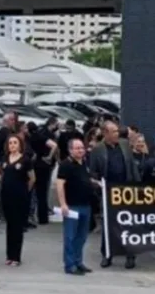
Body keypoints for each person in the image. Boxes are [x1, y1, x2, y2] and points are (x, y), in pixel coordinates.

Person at [89, 121, 140, 269]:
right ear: (106, 133)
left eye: (118, 131)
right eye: (114, 132)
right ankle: (107, 254)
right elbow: (93, 173)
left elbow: (132, 166)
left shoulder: (124, 145)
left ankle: (130, 255)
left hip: (126, 191)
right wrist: (99, 188)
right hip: (109, 193)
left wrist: (137, 186)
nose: (118, 134)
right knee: (109, 225)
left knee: (129, 224)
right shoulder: (97, 150)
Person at [57, 139, 98, 275]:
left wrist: (95, 183)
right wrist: (63, 204)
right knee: (70, 236)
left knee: (82, 236)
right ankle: (70, 265)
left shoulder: (84, 163)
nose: (81, 150)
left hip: (86, 205)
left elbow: (85, 178)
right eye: (77, 148)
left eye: (82, 148)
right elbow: (60, 185)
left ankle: (78, 261)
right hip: (72, 206)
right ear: (70, 150)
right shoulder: (65, 165)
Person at [0, 134, 35, 266]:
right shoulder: (4, 159)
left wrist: (25, 191)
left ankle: (16, 257)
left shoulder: (26, 160)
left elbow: (32, 178)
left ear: (20, 144)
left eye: (15, 143)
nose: (12, 145)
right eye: (10, 143)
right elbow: (3, 175)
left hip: (20, 197)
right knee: (9, 226)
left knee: (17, 227)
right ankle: (9, 255)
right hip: (6, 196)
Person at [31, 118, 58, 225]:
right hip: (44, 164)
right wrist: (49, 157)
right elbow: (54, 145)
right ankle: (43, 217)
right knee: (42, 192)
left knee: (35, 192)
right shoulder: (44, 136)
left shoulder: (33, 137)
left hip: (36, 164)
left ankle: (34, 215)